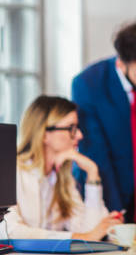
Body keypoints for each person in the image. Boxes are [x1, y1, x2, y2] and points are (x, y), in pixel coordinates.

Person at [71, 23, 136, 236]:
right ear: (121, 65)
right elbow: (96, 155)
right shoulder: (88, 85)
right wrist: (115, 217)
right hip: (105, 197)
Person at [3, 96, 123, 239]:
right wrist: (78, 238)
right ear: (44, 134)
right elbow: (9, 230)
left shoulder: (61, 177)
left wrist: (92, 173)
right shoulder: (10, 172)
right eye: (71, 128)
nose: (79, 135)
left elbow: (90, 231)